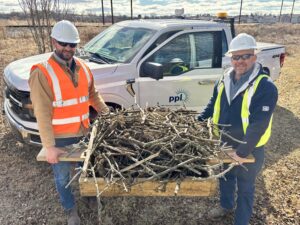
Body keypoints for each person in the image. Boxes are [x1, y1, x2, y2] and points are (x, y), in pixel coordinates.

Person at [29, 20, 109, 225]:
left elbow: (93, 94)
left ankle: (90, 197)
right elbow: (42, 112)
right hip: (60, 138)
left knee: (89, 170)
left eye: (72, 44)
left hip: (84, 133)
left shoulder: (83, 67)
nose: (68, 48)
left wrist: (107, 114)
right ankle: (70, 210)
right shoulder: (42, 72)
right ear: (54, 41)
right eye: (63, 43)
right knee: (63, 178)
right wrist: (49, 147)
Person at [198, 33, 278, 225]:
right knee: (225, 178)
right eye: (236, 57)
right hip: (225, 141)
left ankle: (241, 222)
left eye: (245, 56)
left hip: (249, 149)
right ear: (231, 58)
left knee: (245, 187)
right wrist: (198, 121)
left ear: (254, 56)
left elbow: (259, 123)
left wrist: (241, 152)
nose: (240, 61)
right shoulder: (224, 78)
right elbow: (213, 104)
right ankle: (226, 207)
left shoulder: (265, 86)